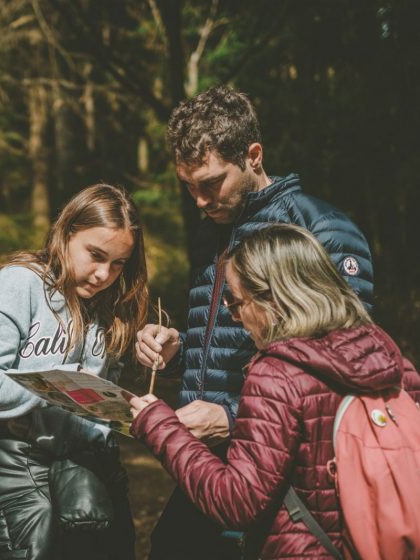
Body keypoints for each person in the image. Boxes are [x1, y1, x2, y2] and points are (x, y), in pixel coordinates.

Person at [134, 85, 375, 559]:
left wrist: (229, 416)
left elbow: (346, 369)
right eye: (188, 186)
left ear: (253, 155)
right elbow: (226, 343)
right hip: (210, 468)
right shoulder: (213, 232)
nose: (199, 200)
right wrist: (176, 351)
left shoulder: (321, 230)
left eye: (211, 183)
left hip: (287, 483)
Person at [129, 224, 420, 560]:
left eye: (236, 302)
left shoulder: (277, 374)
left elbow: (236, 502)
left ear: (273, 299)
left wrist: (159, 425)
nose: (232, 315)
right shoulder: (391, 362)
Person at [0, 184, 149, 560]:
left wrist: (157, 350)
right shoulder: (18, 285)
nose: (103, 274)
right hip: (16, 472)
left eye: (119, 263)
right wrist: (60, 384)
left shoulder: (111, 302)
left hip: (92, 476)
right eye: (95, 255)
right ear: (66, 231)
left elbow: (115, 389)